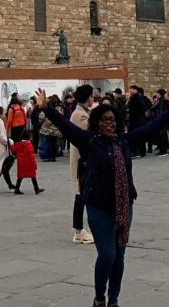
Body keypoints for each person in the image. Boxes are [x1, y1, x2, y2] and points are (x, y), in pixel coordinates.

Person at [37, 86, 169, 307]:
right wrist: (47, 108)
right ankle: (99, 297)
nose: (109, 123)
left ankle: (114, 299)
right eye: (104, 120)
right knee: (108, 255)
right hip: (99, 207)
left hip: (124, 205)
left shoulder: (124, 141)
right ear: (96, 123)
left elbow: (148, 129)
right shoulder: (89, 141)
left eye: (112, 120)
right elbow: (66, 127)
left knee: (119, 256)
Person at [70, 85, 95, 243]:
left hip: (83, 160)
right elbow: (90, 133)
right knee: (80, 195)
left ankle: (80, 229)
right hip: (81, 161)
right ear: (88, 97)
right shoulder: (80, 115)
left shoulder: (82, 113)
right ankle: (78, 231)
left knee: (82, 195)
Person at [126, 86, 147, 158]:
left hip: (137, 120)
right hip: (136, 120)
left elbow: (142, 107)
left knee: (138, 136)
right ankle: (139, 151)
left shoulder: (136, 97)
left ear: (135, 90)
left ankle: (139, 152)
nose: (130, 90)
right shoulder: (134, 97)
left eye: (131, 89)